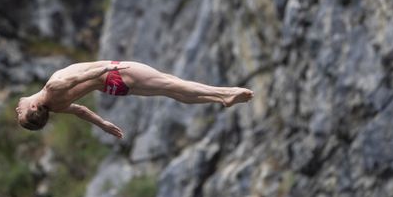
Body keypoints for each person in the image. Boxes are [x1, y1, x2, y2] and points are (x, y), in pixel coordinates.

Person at [16, 60, 254, 138]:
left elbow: (80, 111)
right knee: (172, 84)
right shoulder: (53, 88)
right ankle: (225, 93)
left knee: (171, 90)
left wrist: (104, 125)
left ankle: (220, 99)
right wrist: (110, 66)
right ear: (34, 107)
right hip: (115, 73)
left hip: (112, 87)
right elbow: (83, 76)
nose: (18, 108)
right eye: (21, 112)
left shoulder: (55, 106)